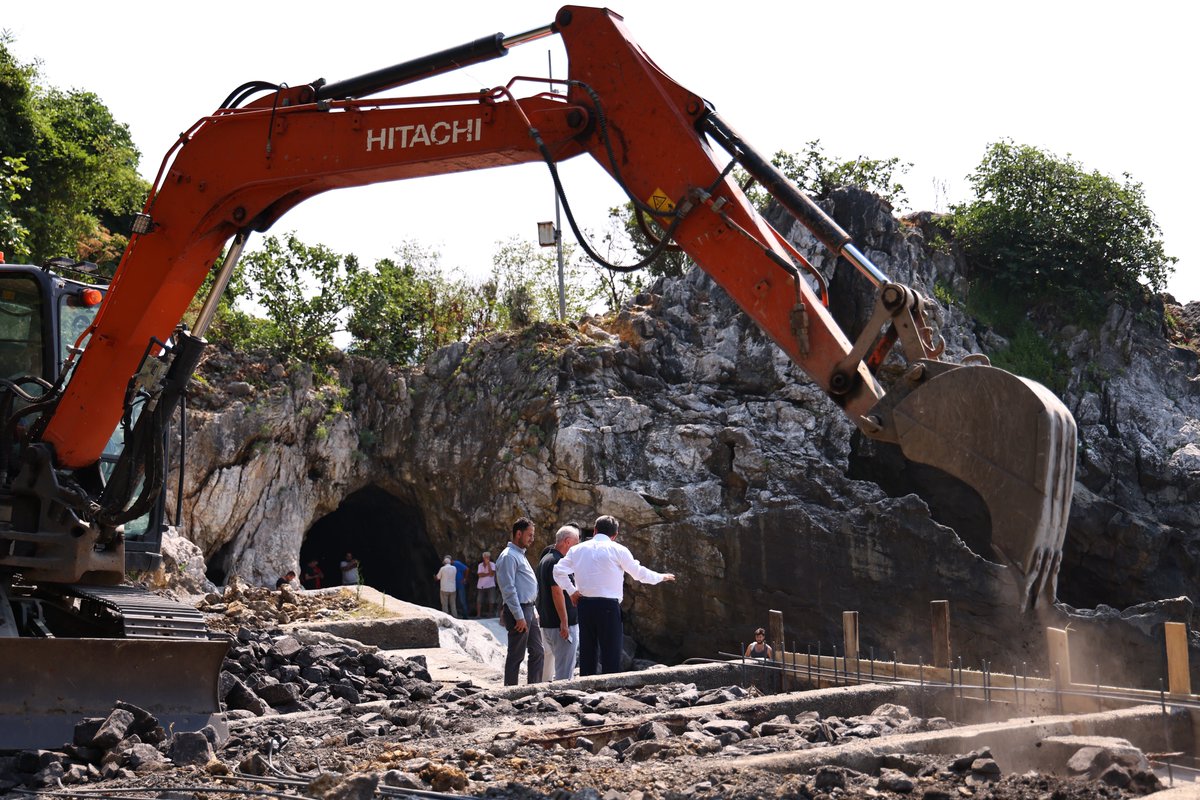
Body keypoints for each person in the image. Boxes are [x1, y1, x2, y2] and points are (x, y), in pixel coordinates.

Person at [553, 515, 675, 676]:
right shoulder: (619, 550)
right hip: (608, 607)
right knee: (610, 650)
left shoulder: (577, 550)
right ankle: (610, 690)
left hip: (584, 605)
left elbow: (558, 571)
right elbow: (639, 574)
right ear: (615, 535)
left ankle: (585, 687)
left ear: (595, 530)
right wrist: (661, 577)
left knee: (588, 650)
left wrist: (571, 591)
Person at [494, 517, 544, 685]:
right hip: (520, 611)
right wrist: (519, 615)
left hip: (529, 609)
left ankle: (534, 688)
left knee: (537, 651)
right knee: (516, 654)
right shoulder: (508, 556)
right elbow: (508, 589)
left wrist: (533, 609)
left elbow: (525, 587)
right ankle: (510, 690)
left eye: (533, 535)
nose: (532, 538)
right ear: (518, 533)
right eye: (529, 534)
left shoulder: (519, 554)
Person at [537, 525, 581, 681]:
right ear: (568, 541)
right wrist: (564, 621)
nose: (577, 549)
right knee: (564, 673)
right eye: (576, 544)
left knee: (556, 669)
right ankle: (562, 702)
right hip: (561, 626)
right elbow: (557, 592)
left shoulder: (545, 559)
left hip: (548, 623)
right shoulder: (557, 561)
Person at [476, 551, 498, 617]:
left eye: (488, 557)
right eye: (486, 557)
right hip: (481, 585)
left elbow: (492, 574)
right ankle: (478, 615)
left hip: (490, 585)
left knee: (491, 600)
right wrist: (488, 574)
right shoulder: (480, 565)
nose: (487, 558)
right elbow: (480, 575)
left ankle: (490, 614)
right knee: (479, 600)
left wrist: (488, 564)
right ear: (483, 557)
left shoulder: (493, 564)